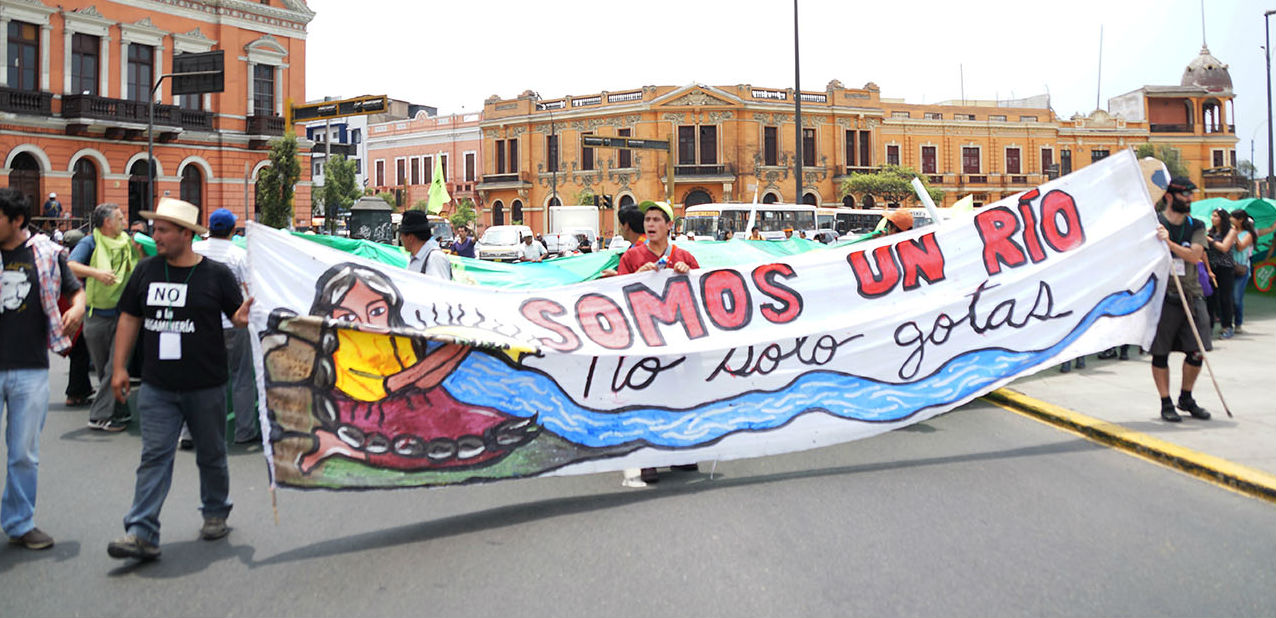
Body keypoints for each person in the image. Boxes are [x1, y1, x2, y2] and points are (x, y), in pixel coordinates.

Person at [107, 198, 252, 561]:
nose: (155, 236)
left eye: (163, 231)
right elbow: (129, 317)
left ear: (186, 234)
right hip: (158, 386)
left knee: (212, 454)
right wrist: (119, 367)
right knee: (154, 456)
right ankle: (141, 532)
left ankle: (216, 512)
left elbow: (235, 316)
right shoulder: (146, 271)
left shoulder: (216, 274)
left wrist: (244, 316)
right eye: (155, 229)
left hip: (206, 384)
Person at [0, 186, 85, 550]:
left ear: (17, 220)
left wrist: (79, 307)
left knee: (23, 454)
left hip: (30, 368)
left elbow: (75, 290)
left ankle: (20, 522)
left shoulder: (48, 253)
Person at [617, 200, 701, 487]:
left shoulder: (685, 256)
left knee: (681, 396)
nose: (650, 224)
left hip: (679, 340)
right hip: (646, 341)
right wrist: (633, 278)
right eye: (648, 220)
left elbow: (703, 292)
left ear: (669, 226)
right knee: (648, 396)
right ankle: (649, 459)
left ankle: (681, 451)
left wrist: (688, 273)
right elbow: (615, 293)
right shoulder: (632, 258)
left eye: (657, 220)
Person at [67, 203, 139, 432]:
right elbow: (70, 266)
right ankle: (120, 410)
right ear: (107, 222)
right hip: (96, 315)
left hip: (124, 316)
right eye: (120, 217)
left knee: (114, 367)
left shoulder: (128, 242)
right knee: (104, 369)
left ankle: (99, 416)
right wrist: (96, 273)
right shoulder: (90, 242)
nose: (124, 221)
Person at [192, 208, 258, 445]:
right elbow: (251, 291)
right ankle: (244, 430)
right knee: (241, 378)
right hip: (233, 324)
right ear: (233, 230)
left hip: (198, 325)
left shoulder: (194, 250)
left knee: (196, 378)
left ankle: (188, 432)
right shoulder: (237, 256)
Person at [1151, 177, 1211, 423]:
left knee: (1197, 351)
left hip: (1191, 293)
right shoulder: (1153, 223)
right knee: (1160, 352)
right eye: (1184, 194)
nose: (1189, 198)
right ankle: (1166, 403)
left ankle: (1186, 397)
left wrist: (1168, 242)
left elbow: (1195, 256)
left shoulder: (1195, 225)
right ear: (1169, 196)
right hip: (1163, 296)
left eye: (1191, 194)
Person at [61, 229, 93, 408]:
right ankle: (74, 393)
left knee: (79, 353)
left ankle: (82, 389)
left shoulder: (61, 259)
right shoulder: (73, 264)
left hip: (68, 310)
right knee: (81, 353)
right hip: (78, 311)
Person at [1203, 208, 1237, 339]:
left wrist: (1210, 240)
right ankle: (1208, 327)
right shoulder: (1209, 232)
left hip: (1225, 268)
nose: (1213, 218)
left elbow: (1224, 247)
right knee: (1210, 298)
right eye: (1212, 216)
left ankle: (1227, 326)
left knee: (1225, 298)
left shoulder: (1231, 231)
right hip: (1211, 268)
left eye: (1216, 216)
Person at [1228, 209, 1259, 334]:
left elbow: (1240, 247)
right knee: (1227, 298)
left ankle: (1238, 323)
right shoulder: (1229, 231)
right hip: (1229, 267)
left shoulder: (1248, 234)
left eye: (1233, 218)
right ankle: (1228, 322)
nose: (1230, 220)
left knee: (1236, 298)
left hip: (1242, 269)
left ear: (1240, 220)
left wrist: (1234, 235)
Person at [399, 210, 452, 280]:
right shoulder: (417, 258)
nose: (401, 239)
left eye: (401, 235)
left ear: (410, 238)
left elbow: (440, 288)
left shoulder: (435, 258)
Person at [598, 204, 646, 278]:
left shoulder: (637, 251)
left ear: (626, 225)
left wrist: (617, 275)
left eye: (620, 224)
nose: (620, 228)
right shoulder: (646, 243)